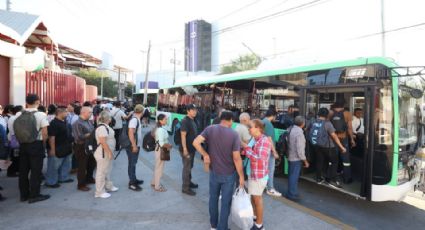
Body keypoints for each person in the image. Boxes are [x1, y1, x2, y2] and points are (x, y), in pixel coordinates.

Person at [193, 111, 245, 230]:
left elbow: (195, 142)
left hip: (214, 172)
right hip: (228, 174)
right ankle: (222, 227)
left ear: (221, 119)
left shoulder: (210, 129)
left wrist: (205, 154)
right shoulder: (234, 134)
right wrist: (241, 177)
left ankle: (213, 225)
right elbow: (237, 158)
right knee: (226, 202)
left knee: (213, 198)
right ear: (230, 120)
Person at [16, 94, 50, 203]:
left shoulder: (18, 114)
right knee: (36, 171)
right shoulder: (40, 114)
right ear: (37, 101)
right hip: (36, 144)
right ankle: (34, 195)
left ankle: (23, 195)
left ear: (26, 102)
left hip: (23, 144)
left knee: (23, 171)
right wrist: (43, 143)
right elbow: (45, 133)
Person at [241, 119, 272, 230]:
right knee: (253, 198)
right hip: (252, 173)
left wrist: (246, 148)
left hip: (258, 175)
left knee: (257, 199)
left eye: (251, 127)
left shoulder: (264, 141)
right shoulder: (255, 139)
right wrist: (245, 149)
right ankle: (255, 217)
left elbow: (259, 159)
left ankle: (259, 225)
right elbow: (248, 152)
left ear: (258, 128)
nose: (249, 129)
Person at [309, 108, 347, 188]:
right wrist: (342, 147)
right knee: (334, 161)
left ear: (318, 113)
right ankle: (329, 179)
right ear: (327, 115)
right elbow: (334, 136)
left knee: (319, 161)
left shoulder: (313, 121)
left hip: (317, 145)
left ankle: (318, 179)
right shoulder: (327, 123)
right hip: (328, 147)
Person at [45, 106, 74, 188]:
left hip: (66, 147)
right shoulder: (54, 123)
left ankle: (63, 178)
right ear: (60, 113)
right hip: (57, 148)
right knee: (53, 166)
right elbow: (51, 137)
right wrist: (52, 150)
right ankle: (51, 182)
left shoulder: (64, 122)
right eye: (66, 112)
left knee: (65, 164)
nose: (67, 113)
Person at [94, 111, 119, 198]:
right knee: (101, 172)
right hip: (103, 153)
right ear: (108, 119)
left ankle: (108, 186)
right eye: (110, 117)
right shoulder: (102, 128)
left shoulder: (105, 127)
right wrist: (109, 153)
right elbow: (103, 142)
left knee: (107, 171)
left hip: (106, 152)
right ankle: (99, 192)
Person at [72, 106, 96, 192]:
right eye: (90, 112)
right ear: (84, 112)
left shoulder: (89, 121)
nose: (91, 114)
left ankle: (89, 178)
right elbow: (79, 137)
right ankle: (81, 184)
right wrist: (91, 134)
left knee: (91, 163)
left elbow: (92, 130)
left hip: (90, 145)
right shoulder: (77, 123)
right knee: (82, 166)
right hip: (81, 146)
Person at [286, 116, 309, 201]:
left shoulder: (290, 129)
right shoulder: (299, 133)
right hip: (296, 158)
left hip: (290, 155)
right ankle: (292, 194)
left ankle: (291, 192)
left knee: (291, 176)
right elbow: (300, 150)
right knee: (294, 177)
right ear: (303, 124)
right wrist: (305, 161)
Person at [331, 101, 355, 184]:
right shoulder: (347, 113)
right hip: (343, 138)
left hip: (333, 138)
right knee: (346, 159)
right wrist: (352, 139)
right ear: (343, 106)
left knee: (333, 158)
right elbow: (349, 128)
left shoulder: (330, 112)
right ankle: (347, 178)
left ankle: (332, 176)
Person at [180, 104, 199, 196]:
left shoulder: (193, 120)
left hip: (192, 149)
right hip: (186, 149)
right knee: (187, 168)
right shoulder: (185, 121)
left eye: (195, 110)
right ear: (188, 111)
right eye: (192, 110)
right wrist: (184, 149)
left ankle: (189, 182)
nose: (194, 111)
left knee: (190, 167)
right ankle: (185, 188)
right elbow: (183, 136)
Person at [262, 109, 281, 197]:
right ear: (273, 116)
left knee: (266, 169)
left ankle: (265, 185)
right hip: (269, 150)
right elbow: (269, 139)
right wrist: (274, 151)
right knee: (270, 169)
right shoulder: (268, 124)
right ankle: (270, 188)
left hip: (264, 149)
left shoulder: (262, 121)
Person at [151, 114, 172, 192]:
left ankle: (154, 182)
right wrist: (170, 145)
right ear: (160, 120)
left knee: (157, 167)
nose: (166, 120)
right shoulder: (160, 130)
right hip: (161, 150)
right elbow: (161, 143)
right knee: (159, 168)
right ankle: (157, 186)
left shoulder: (159, 128)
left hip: (158, 150)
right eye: (165, 119)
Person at [126, 104, 144, 191]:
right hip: (132, 146)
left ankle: (134, 179)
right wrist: (134, 145)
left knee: (133, 163)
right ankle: (132, 183)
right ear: (142, 111)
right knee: (132, 164)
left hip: (135, 145)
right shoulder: (134, 120)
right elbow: (130, 133)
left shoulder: (136, 119)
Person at [6, 105, 23, 177]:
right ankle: (12, 171)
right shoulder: (15, 118)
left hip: (12, 139)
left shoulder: (11, 118)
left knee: (14, 156)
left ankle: (13, 170)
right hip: (15, 140)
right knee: (15, 157)